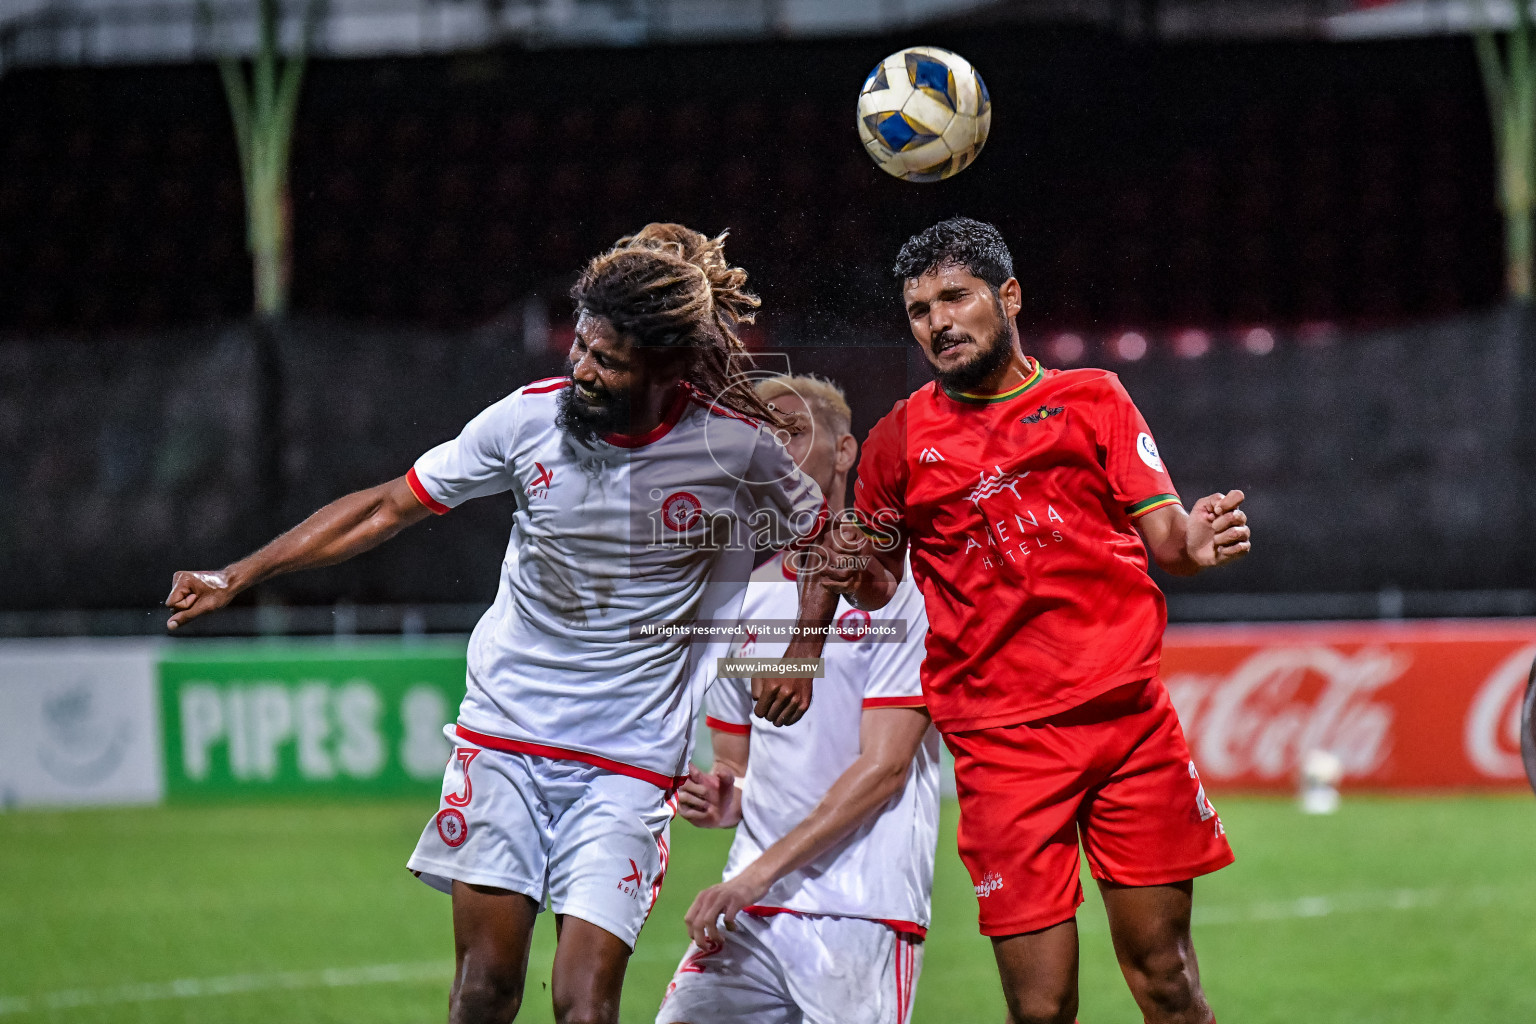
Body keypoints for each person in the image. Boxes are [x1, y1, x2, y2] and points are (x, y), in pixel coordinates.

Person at [163, 224, 826, 1024]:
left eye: (606, 360)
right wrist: (238, 574)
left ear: (666, 370)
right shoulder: (528, 421)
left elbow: (829, 539)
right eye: (580, 346)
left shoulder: (735, 450)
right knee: (486, 989)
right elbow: (386, 505)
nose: (580, 369)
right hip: (505, 740)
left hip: (628, 767)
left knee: (584, 1005)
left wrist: (804, 646)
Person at [809, 217, 1253, 1024]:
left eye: (956, 297)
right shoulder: (898, 439)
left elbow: (1169, 543)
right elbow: (876, 588)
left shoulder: (1093, 400)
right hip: (1001, 747)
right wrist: (850, 572)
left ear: (1007, 296)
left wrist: (1199, 536)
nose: (938, 322)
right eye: (918, 310)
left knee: (1167, 981)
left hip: (1127, 729)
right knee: (1041, 1009)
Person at [656, 375, 939, 1024]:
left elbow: (885, 771)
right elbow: (737, 764)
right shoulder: (737, 598)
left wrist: (756, 875)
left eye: (784, 433)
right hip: (750, 902)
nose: (765, 450)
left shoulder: (906, 590)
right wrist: (723, 795)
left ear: (844, 453)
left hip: (861, 905)